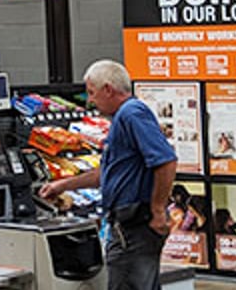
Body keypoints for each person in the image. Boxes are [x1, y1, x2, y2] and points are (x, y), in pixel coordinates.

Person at [39, 60, 177, 290]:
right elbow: (107, 174)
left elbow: (166, 161)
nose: (90, 100)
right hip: (126, 227)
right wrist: (62, 186)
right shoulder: (123, 118)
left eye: (92, 93)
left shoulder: (131, 114)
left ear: (108, 90)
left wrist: (158, 210)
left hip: (134, 228)